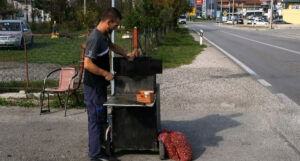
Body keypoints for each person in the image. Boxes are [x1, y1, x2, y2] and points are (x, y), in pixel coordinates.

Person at [83, 8, 135, 161]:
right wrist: (106, 74)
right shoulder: (95, 38)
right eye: (116, 25)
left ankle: (99, 148)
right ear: (109, 21)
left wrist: (126, 55)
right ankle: (95, 155)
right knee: (95, 119)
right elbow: (87, 64)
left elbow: (113, 46)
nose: (116, 27)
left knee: (101, 118)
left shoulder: (104, 35)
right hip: (93, 87)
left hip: (99, 87)